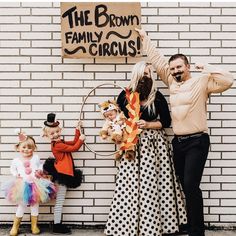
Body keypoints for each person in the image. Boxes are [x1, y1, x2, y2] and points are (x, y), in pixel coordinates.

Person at [135, 28, 234, 236]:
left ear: (187, 67)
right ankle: (191, 224)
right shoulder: (171, 81)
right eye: (173, 68)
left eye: (179, 67)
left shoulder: (201, 81)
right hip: (179, 143)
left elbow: (228, 80)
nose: (176, 71)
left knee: (191, 184)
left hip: (198, 141)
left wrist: (206, 67)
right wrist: (145, 38)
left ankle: (197, 231)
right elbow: (158, 59)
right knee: (184, 184)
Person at [104, 61, 187, 236]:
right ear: (136, 75)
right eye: (142, 74)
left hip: (154, 147)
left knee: (154, 184)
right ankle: (128, 226)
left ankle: (157, 225)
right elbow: (117, 119)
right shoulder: (124, 96)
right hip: (132, 145)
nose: (145, 77)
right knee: (130, 185)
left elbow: (165, 122)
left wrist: (148, 124)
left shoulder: (156, 97)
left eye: (148, 74)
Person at [1, 129, 57, 236]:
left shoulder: (36, 157)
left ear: (34, 148)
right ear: (18, 148)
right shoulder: (16, 161)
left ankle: (34, 226)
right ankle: (15, 226)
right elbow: (12, 169)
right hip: (21, 185)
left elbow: (40, 165)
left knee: (35, 205)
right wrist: (15, 175)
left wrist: (39, 170)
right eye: (24, 147)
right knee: (21, 205)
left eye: (30, 147)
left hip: (36, 184)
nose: (27, 150)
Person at [42, 113, 85, 234]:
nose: (55, 134)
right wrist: (81, 140)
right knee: (60, 201)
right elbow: (74, 147)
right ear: (47, 135)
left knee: (60, 200)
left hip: (64, 172)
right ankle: (57, 225)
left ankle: (57, 223)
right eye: (52, 133)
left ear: (59, 130)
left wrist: (78, 129)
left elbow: (73, 142)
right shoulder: (58, 145)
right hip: (62, 174)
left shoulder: (60, 142)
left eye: (57, 131)